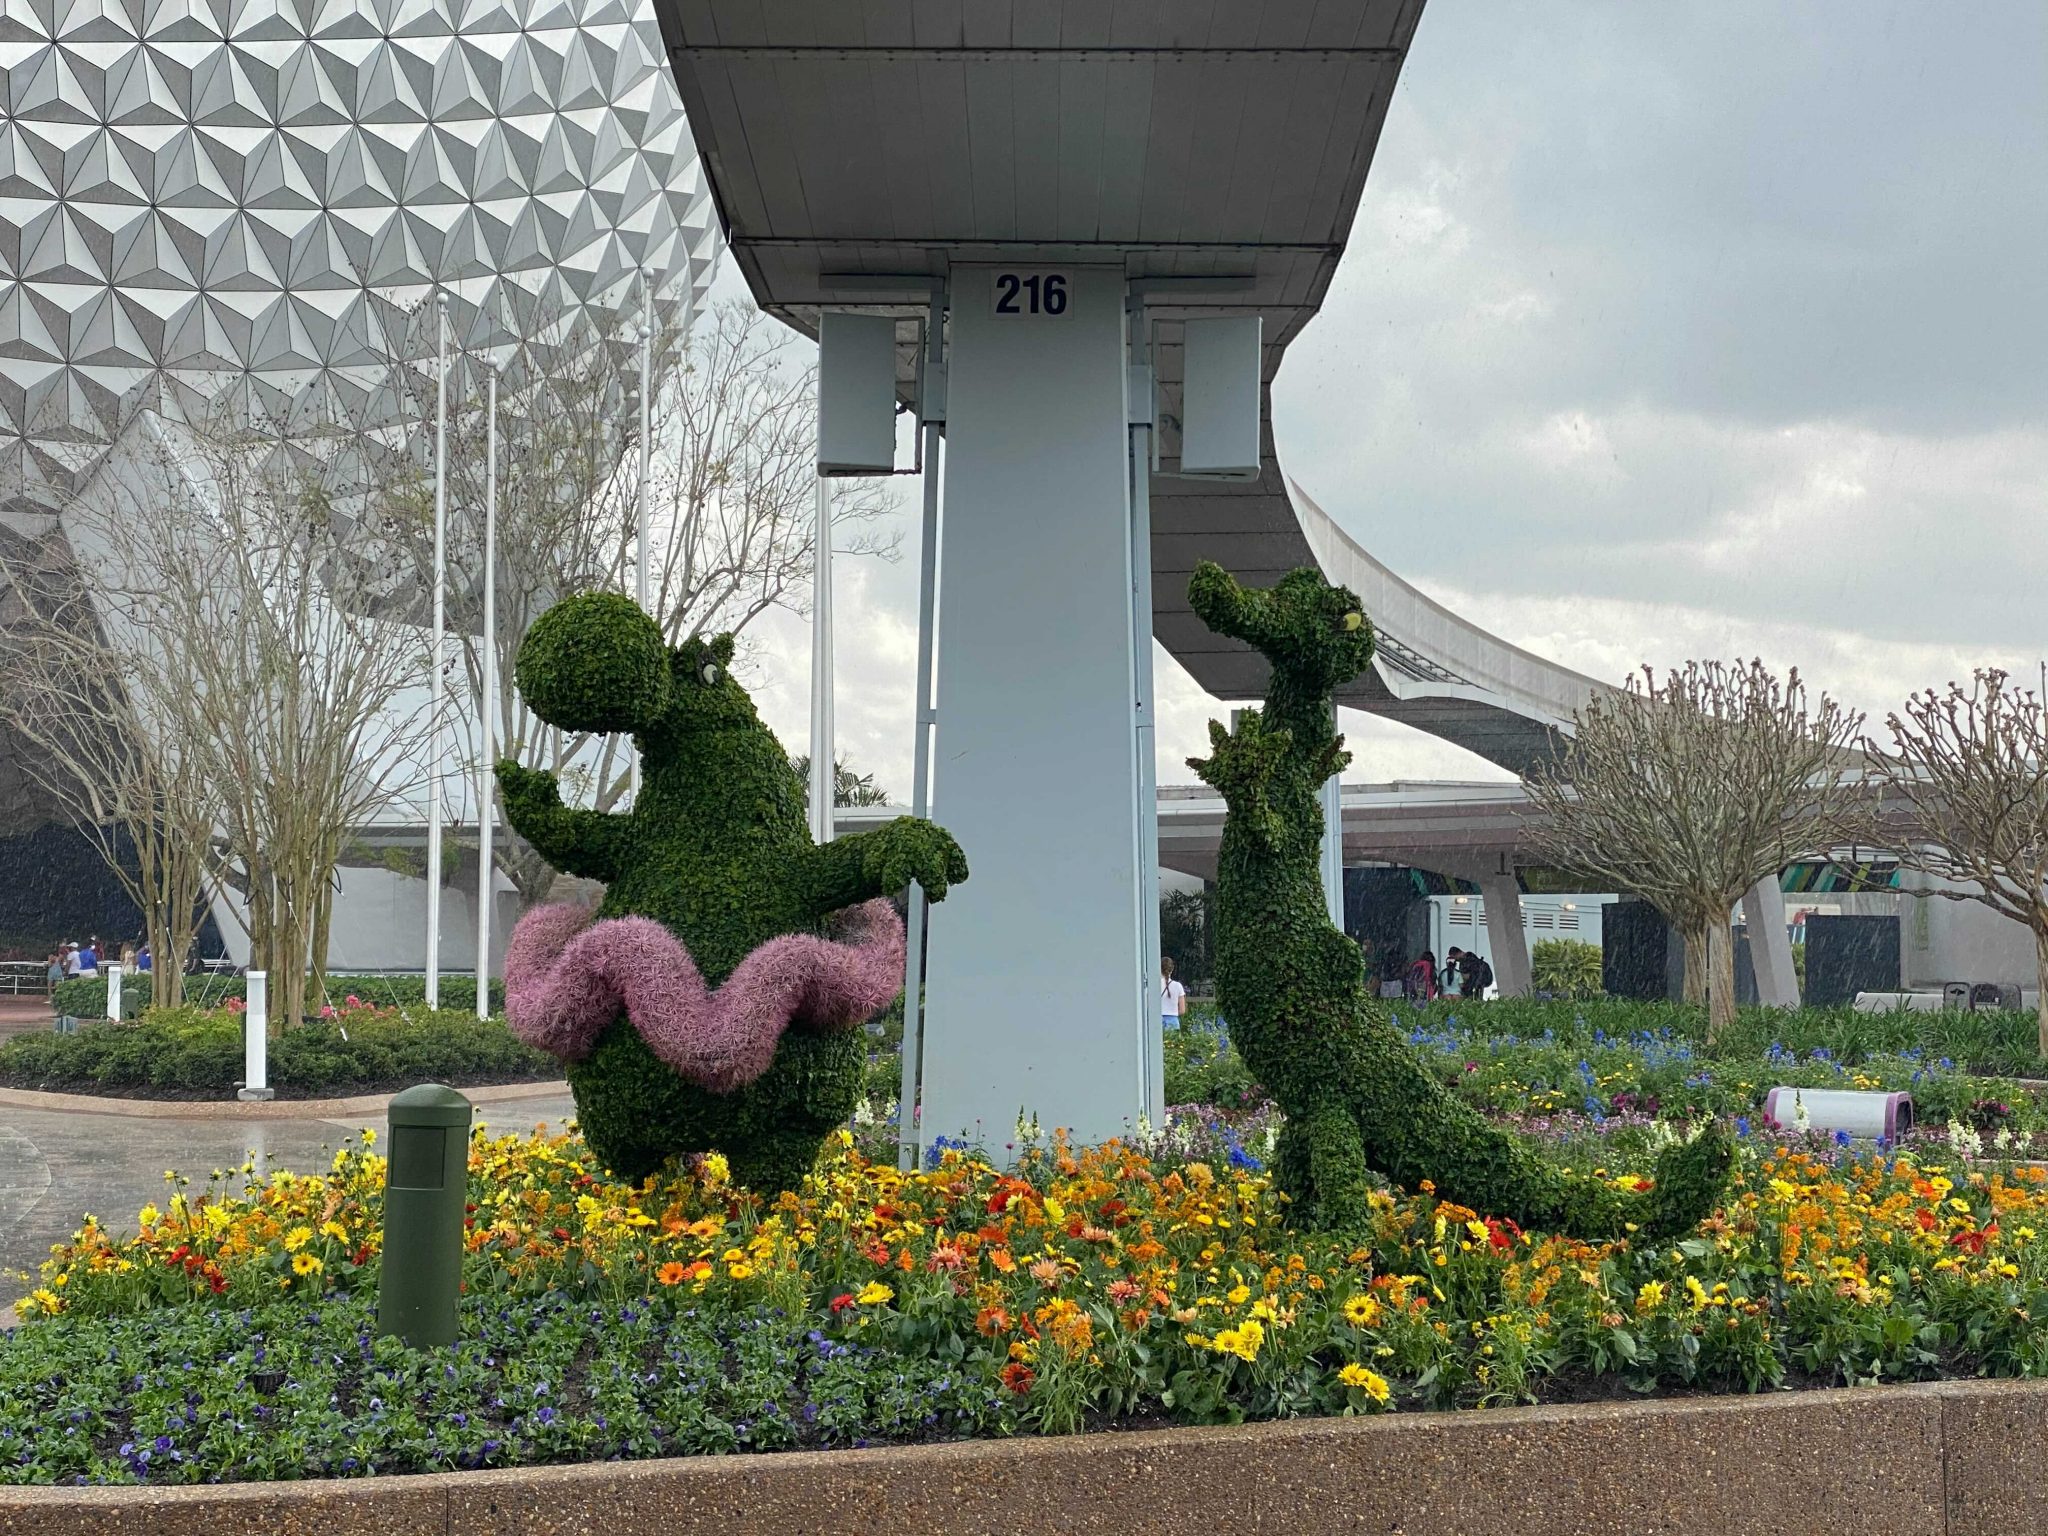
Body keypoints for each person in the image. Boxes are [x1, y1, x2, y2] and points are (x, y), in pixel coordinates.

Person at [1160, 956, 1188, 1029]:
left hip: (1157, 1020)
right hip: (1173, 1021)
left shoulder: (1154, 985)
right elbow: (1182, 1010)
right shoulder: (1178, 986)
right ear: (1172, 969)